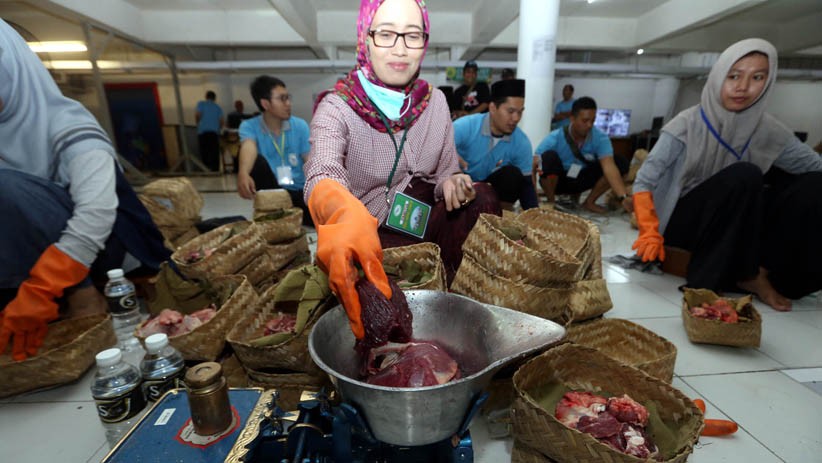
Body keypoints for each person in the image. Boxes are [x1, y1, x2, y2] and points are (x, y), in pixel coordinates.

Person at [304, 0, 500, 338]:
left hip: (424, 216)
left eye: (412, 36)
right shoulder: (337, 108)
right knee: (384, 313)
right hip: (373, 234)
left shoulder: (434, 102)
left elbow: (445, 171)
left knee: (483, 197)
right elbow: (322, 170)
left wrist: (453, 181)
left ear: (424, 42)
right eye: (385, 34)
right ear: (363, 41)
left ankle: (457, 295)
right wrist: (341, 211)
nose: (400, 48)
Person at [0, 19, 170, 361]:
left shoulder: (67, 125)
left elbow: (97, 212)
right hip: (46, 252)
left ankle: (81, 294)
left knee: (6, 187)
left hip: (107, 245)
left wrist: (43, 286)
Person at [632, 38, 822, 312]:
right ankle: (709, 284)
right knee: (745, 175)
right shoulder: (686, 124)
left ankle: (765, 272)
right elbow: (644, 181)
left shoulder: (771, 131)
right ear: (719, 75)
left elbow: (813, 167)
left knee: (814, 185)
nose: (742, 87)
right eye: (733, 76)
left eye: (757, 77)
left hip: (738, 222)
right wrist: (649, 230)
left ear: (768, 83)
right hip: (684, 223)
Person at [237, 75, 312, 225]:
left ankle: (286, 216)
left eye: (288, 98)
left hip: (298, 192)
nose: (288, 103)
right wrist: (243, 173)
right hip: (271, 193)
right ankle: (275, 214)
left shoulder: (300, 126)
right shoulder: (249, 126)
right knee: (257, 162)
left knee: (325, 218)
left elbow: (310, 159)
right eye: (282, 99)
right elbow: (248, 147)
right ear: (265, 104)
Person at [536, 96, 631, 213]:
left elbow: (609, 167)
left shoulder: (600, 138)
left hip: (581, 179)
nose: (590, 125)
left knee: (620, 162)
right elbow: (535, 162)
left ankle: (589, 202)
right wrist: (532, 192)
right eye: (585, 121)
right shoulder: (555, 137)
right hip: (559, 181)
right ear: (572, 118)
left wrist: (623, 197)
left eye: (593, 120)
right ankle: (551, 203)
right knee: (547, 158)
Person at [454, 79, 538, 211]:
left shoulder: (521, 142)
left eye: (520, 112)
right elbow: (433, 151)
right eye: (510, 111)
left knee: (513, 175)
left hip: (489, 192)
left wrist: (535, 217)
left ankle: (497, 216)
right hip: (460, 187)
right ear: (493, 108)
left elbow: (527, 187)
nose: (516, 118)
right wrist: (449, 156)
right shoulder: (464, 127)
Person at [195, 90, 224, 172]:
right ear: (215, 98)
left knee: (204, 152)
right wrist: (218, 128)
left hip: (202, 132)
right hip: (214, 133)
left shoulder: (201, 104)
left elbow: (198, 115)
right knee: (214, 152)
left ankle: (206, 169)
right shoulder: (218, 107)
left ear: (206, 97)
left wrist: (198, 124)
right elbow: (222, 122)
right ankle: (215, 170)